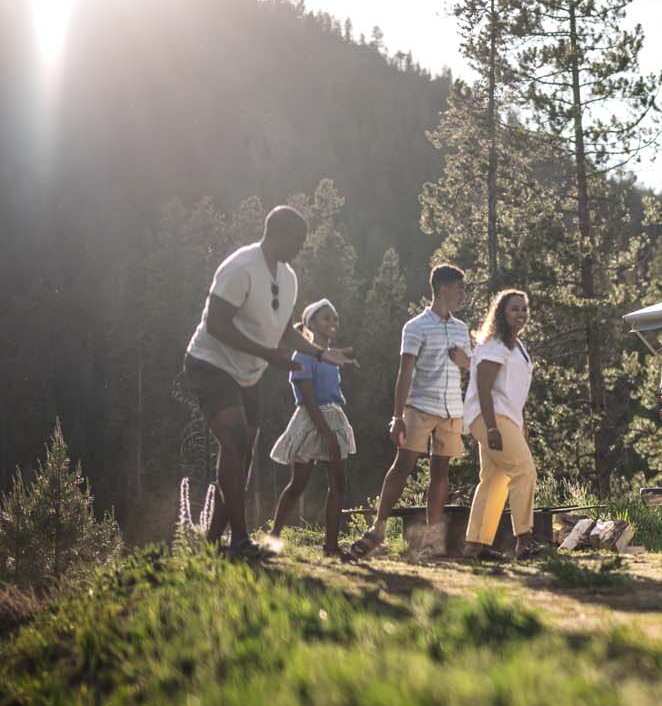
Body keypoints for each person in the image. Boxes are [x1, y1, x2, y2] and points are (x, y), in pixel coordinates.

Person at [183, 205, 355, 557]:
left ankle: (214, 542)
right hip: (210, 364)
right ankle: (241, 540)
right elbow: (215, 324)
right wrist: (266, 354)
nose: (302, 247)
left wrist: (321, 354)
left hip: (249, 373)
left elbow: (285, 332)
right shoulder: (239, 267)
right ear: (275, 233)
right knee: (232, 439)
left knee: (242, 453)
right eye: (298, 239)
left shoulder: (289, 278)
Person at [350, 264, 472, 560]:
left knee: (440, 471)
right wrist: (397, 416)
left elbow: (470, 366)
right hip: (419, 406)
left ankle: (432, 540)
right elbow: (404, 373)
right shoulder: (415, 326)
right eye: (459, 289)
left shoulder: (461, 328)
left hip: (452, 410)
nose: (462, 295)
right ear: (443, 288)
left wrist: (465, 362)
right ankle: (377, 531)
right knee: (403, 464)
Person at [267, 299, 358, 556]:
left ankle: (330, 545)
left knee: (338, 483)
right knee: (299, 482)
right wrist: (326, 433)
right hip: (311, 419)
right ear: (311, 324)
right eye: (326, 318)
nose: (333, 323)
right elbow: (307, 399)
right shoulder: (303, 354)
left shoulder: (332, 356)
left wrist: (333, 430)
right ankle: (273, 537)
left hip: (334, 416)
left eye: (334, 319)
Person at [461, 289, 537, 561]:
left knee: (494, 479)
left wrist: (521, 426)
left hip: (508, 419)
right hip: (488, 417)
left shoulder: (517, 346)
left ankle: (475, 546)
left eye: (524, 309)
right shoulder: (494, 344)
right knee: (524, 470)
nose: (521, 313)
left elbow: (515, 392)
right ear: (501, 314)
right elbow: (483, 386)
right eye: (514, 309)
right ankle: (524, 540)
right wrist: (492, 427)